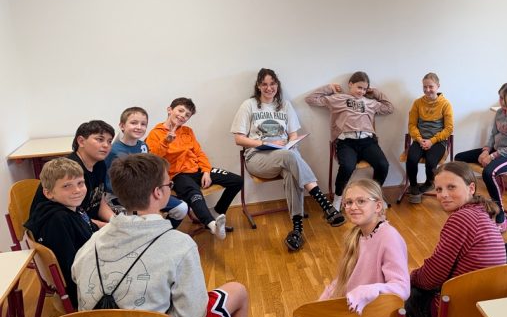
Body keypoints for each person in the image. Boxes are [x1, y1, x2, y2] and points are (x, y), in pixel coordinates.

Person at [71, 154, 271, 317]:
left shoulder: (91, 242)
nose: (171, 188)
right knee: (237, 291)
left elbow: (76, 280)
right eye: (169, 184)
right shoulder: (179, 244)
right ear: (158, 193)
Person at [293, 178, 410, 317]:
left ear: (378, 206)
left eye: (360, 201)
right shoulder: (357, 234)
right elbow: (343, 279)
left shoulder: (389, 238)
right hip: (356, 313)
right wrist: (318, 305)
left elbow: (402, 288)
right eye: (348, 202)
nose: (352, 207)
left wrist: (371, 290)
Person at [406, 161, 506, 317]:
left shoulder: (461, 219)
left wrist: (409, 277)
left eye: (451, 187)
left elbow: (431, 277)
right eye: (438, 189)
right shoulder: (483, 216)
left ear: (471, 188)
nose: (443, 195)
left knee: (402, 294)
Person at [231, 69, 344, 252]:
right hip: (257, 158)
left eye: (272, 84)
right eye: (264, 84)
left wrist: (291, 144)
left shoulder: (284, 105)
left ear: (277, 85)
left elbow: (293, 135)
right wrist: (266, 143)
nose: (269, 88)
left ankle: (297, 230)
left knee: (291, 168)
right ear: (258, 86)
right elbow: (239, 139)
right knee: (290, 157)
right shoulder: (249, 105)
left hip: (285, 156)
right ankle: (324, 204)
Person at [146, 97, 243, 240]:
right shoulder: (155, 133)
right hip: (177, 175)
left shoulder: (188, 131)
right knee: (194, 192)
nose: (182, 116)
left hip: (196, 169)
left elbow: (199, 153)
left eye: (187, 115)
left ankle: (216, 211)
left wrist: (206, 171)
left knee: (237, 181)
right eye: (180, 111)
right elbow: (153, 159)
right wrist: (166, 141)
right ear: (169, 110)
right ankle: (212, 225)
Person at [306, 72, 394, 210]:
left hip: (367, 142)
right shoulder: (338, 99)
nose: (361, 91)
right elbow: (311, 99)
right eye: (359, 87)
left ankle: (375, 196)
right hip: (346, 143)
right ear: (350, 84)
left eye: (364, 89)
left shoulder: (370, 102)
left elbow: (389, 108)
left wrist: (376, 93)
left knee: (383, 165)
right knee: (347, 166)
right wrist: (329, 88)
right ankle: (338, 198)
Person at [24, 158, 95, 309]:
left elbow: (91, 228)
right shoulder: (57, 221)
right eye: (67, 186)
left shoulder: (72, 208)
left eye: (80, 183)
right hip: (84, 290)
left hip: (88, 273)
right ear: (49, 193)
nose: (77, 190)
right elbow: (71, 267)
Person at [105, 106, 189, 228]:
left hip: (145, 192)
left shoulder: (143, 146)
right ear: (122, 126)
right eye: (134, 123)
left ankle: (163, 233)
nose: (139, 127)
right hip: (122, 196)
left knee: (182, 208)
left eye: (143, 124)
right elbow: (108, 182)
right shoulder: (113, 151)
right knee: (140, 222)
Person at [454, 83, 507, 231]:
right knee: (459, 158)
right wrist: (486, 151)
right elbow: (493, 135)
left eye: (505, 98)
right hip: (496, 150)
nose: (502, 101)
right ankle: (470, 200)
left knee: (488, 173)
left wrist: (492, 156)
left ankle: (500, 215)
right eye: (500, 98)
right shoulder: (499, 113)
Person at [29, 120, 116, 228]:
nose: (106, 145)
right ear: (81, 141)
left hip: (86, 223)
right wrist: (110, 227)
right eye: (100, 139)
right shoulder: (71, 172)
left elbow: (98, 201)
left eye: (109, 141)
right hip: (61, 227)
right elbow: (75, 217)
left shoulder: (100, 164)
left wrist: (116, 221)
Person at [405, 72, 454, 204]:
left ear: (438, 86)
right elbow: (412, 125)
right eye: (425, 87)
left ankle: (429, 182)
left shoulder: (445, 104)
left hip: (438, 141)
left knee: (431, 162)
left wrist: (432, 141)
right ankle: (413, 185)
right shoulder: (417, 103)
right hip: (420, 140)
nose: (427, 90)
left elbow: (449, 128)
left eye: (431, 86)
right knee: (411, 158)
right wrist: (419, 139)